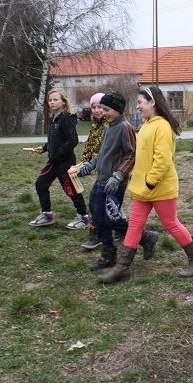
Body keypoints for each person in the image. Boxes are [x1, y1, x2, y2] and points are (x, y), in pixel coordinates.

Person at [97, 87, 193, 284]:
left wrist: (149, 182)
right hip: (143, 190)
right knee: (134, 226)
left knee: (171, 224)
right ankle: (122, 268)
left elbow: (163, 161)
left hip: (159, 188)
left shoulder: (162, 126)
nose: (137, 107)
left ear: (152, 102)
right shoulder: (147, 125)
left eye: (140, 102)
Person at [71, 91, 152, 276]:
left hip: (114, 184)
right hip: (101, 182)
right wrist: (90, 164)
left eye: (106, 109)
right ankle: (108, 255)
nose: (102, 111)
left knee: (112, 219)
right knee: (99, 219)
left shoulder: (124, 127)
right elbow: (103, 153)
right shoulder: (109, 126)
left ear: (117, 109)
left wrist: (118, 176)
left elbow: (131, 154)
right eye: (100, 108)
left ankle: (146, 237)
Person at [30, 88, 89, 228]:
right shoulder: (54, 118)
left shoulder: (66, 118)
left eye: (55, 99)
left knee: (71, 191)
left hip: (65, 164)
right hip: (53, 162)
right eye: (50, 100)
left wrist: (59, 152)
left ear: (63, 102)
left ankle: (84, 219)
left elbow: (73, 140)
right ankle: (47, 215)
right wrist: (44, 148)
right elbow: (55, 139)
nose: (52, 102)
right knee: (40, 184)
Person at [75, 92, 108, 249]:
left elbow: (102, 151)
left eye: (100, 107)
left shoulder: (109, 125)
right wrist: (82, 163)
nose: (97, 110)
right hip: (103, 169)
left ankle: (97, 234)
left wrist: (89, 165)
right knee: (110, 205)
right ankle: (120, 229)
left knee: (96, 202)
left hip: (111, 171)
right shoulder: (96, 125)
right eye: (93, 107)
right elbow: (90, 147)